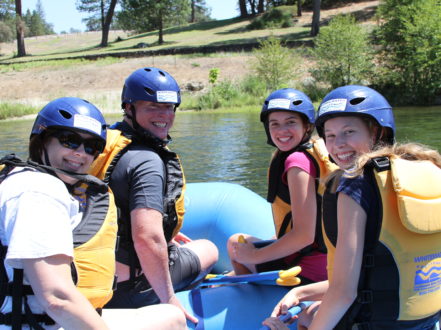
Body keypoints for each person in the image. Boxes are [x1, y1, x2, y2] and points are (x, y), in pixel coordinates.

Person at [262, 85, 441, 329]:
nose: (338, 145)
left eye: (349, 132)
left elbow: (344, 293)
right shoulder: (429, 169)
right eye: (331, 136)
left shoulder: (355, 185)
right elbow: (380, 271)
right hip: (427, 319)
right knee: (309, 312)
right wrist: (302, 293)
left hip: (376, 323)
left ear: (377, 132)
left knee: (302, 321)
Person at [0, 97, 186, 329]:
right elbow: (58, 299)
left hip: (38, 317)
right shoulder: (39, 193)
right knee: (174, 321)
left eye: (92, 147)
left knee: (171, 317)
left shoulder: (22, 179)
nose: (81, 153)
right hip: (39, 323)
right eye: (70, 141)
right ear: (41, 140)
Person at [89, 67, 218, 323]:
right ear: (129, 108)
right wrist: (168, 299)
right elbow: (147, 238)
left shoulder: (101, 146)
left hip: (96, 276)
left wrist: (166, 232)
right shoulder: (146, 161)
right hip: (131, 290)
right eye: (152, 107)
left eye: (170, 107)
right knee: (208, 248)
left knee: (173, 243)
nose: (164, 115)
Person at [227, 88, 336, 285]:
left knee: (236, 243)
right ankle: (242, 278)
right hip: (325, 258)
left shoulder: (297, 162)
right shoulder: (312, 153)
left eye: (290, 122)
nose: (281, 131)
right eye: (274, 124)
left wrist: (253, 257)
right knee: (245, 242)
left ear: (307, 126)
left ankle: (249, 295)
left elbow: (304, 235)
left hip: (309, 269)